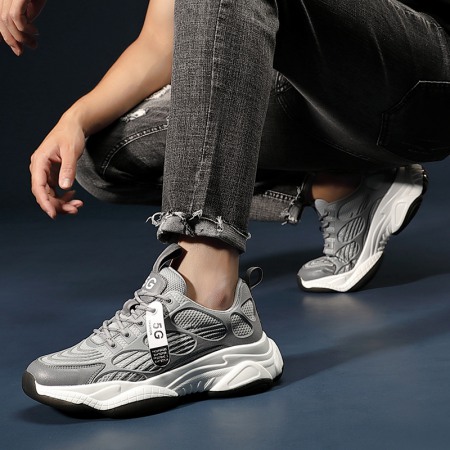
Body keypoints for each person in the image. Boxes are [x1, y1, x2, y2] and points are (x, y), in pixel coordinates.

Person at [2, 0, 448, 417]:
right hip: (317, 101)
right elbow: (162, 42)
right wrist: (77, 118)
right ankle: (341, 184)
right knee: (99, 155)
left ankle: (207, 296)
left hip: (421, 82)